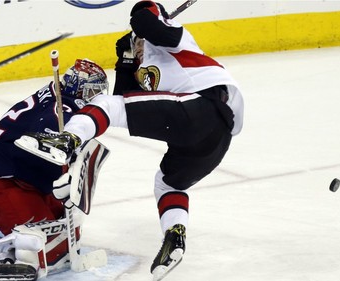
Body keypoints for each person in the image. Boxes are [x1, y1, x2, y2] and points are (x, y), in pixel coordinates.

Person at [16, 1, 244, 280]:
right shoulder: (145, 63)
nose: (136, 47)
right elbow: (127, 98)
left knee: (106, 105)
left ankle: (67, 140)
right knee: (169, 183)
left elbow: (147, 18)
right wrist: (124, 61)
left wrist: (141, 21)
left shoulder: (176, 39)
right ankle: (175, 235)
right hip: (212, 136)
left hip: (202, 106)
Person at [0, 59, 109, 280]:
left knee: (64, 227)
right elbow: (38, 140)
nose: (98, 97)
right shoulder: (62, 113)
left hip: (14, 171)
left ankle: (7, 224)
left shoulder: (55, 92)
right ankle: (9, 251)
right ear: (83, 90)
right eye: (95, 91)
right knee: (52, 248)